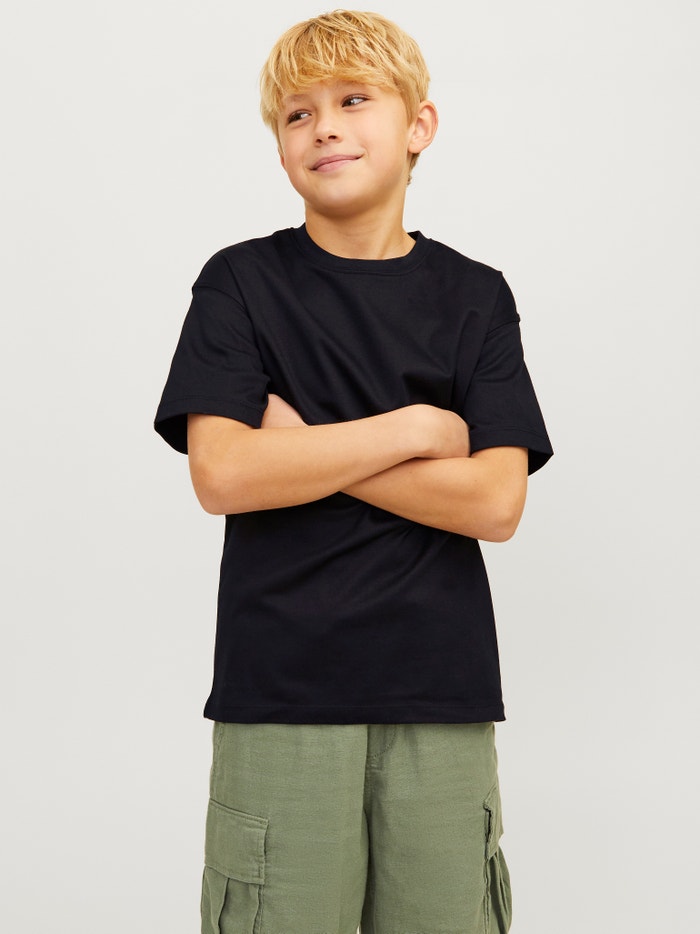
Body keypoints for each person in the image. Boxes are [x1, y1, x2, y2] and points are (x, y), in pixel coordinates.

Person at [154, 10, 553, 933]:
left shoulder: (476, 296)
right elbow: (223, 475)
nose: (323, 127)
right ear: (280, 146)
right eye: (297, 114)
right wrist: (416, 429)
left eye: (352, 100)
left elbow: (496, 503)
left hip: (440, 690)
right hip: (280, 692)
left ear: (419, 126)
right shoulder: (240, 283)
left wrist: (303, 446)